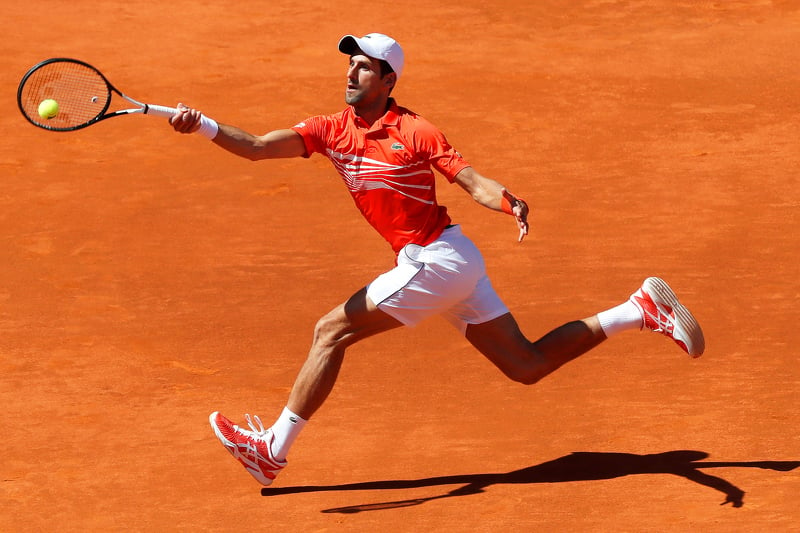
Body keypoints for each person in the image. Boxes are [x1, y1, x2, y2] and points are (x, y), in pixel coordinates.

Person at [169, 33, 705, 487]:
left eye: (364, 66)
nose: (351, 72)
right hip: (451, 263)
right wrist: (204, 125)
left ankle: (272, 452)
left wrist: (508, 199)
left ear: (388, 81)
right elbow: (261, 146)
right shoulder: (331, 129)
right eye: (350, 64)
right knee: (526, 365)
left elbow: (469, 178)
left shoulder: (414, 131)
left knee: (330, 330)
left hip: (438, 259)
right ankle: (638, 310)